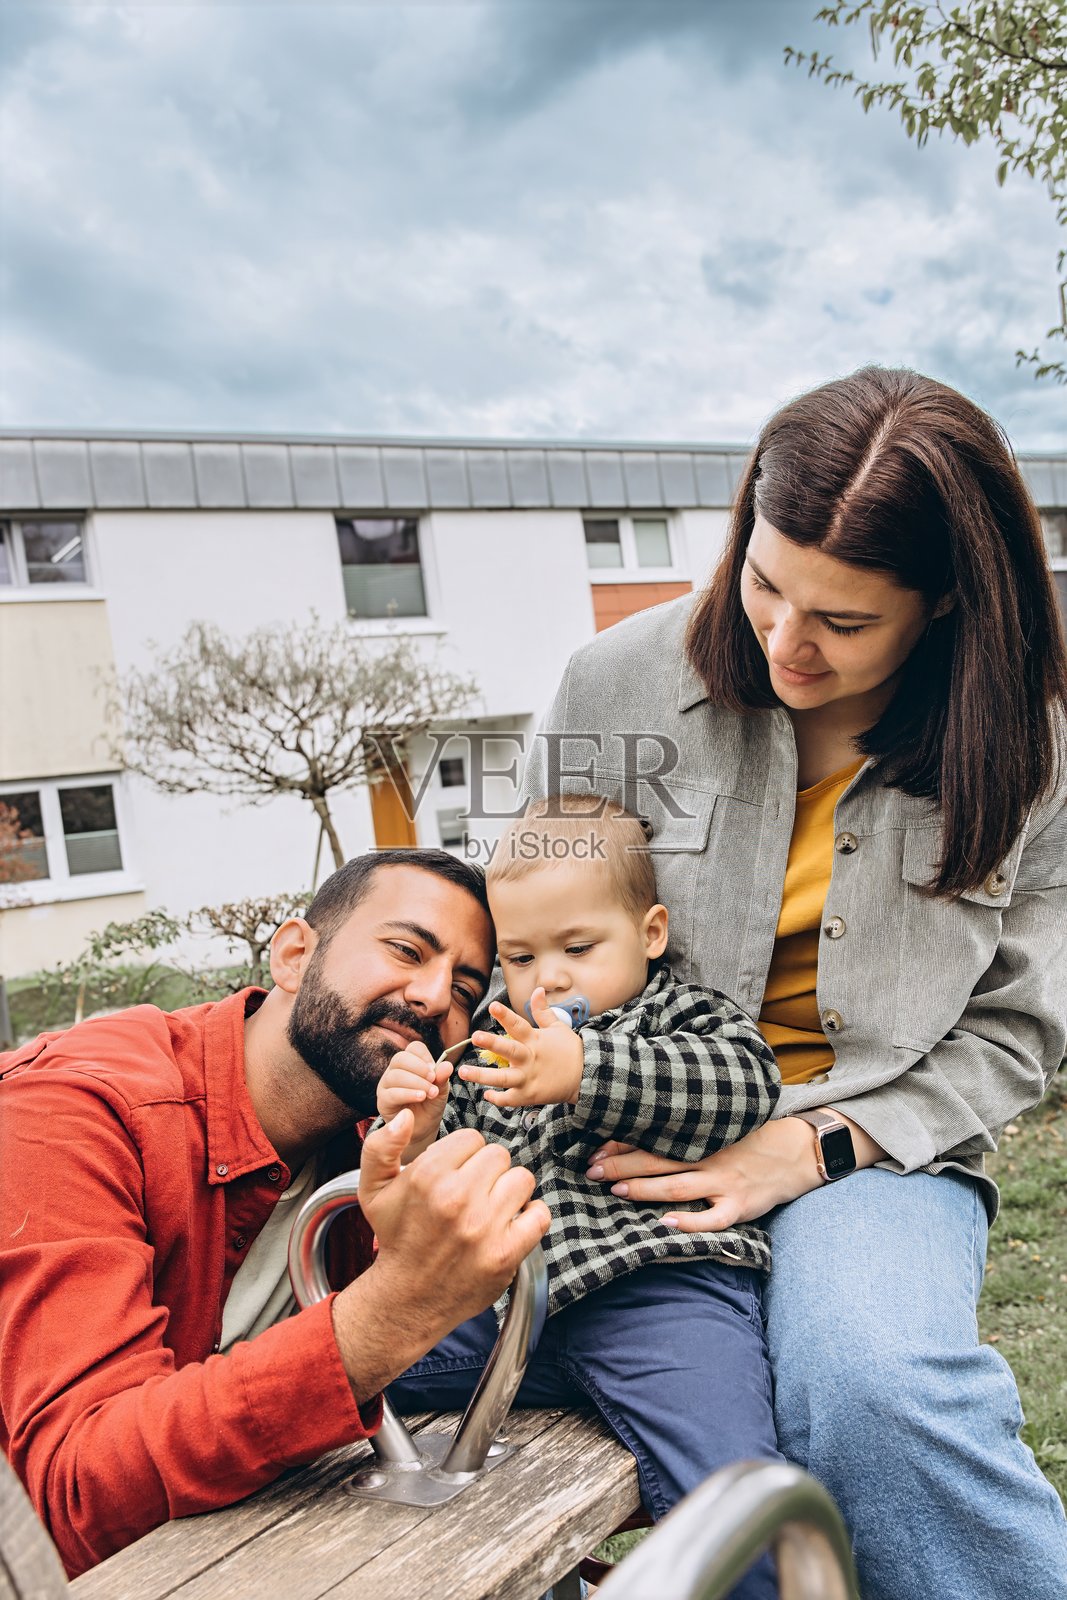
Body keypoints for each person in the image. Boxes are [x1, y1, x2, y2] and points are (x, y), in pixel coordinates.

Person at [519, 366, 1067, 1600]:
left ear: (943, 602)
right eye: (762, 584)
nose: (782, 643)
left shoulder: (1032, 743)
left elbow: (1014, 1032)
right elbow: (525, 924)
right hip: (619, 1128)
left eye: (843, 622)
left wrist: (810, 1149)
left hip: (875, 1140)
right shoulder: (611, 687)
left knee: (873, 1388)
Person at [0, 850, 550, 1578]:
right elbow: (73, 1497)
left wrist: (710, 1166)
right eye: (406, 950)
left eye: (464, 988)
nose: (431, 996)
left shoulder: (384, 1133)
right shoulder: (69, 1113)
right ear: (293, 955)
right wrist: (390, 1312)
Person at [379, 795, 784, 1600]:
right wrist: (414, 1128)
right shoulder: (492, 1048)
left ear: (650, 933)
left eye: (577, 947)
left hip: (659, 1294)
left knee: (733, 1498)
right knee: (342, 1377)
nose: (550, 977)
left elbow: (745, 1084)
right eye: (521, 957)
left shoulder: (678, 1014)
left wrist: (586, 1070)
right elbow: (433, 1186)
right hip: (507, 1317)